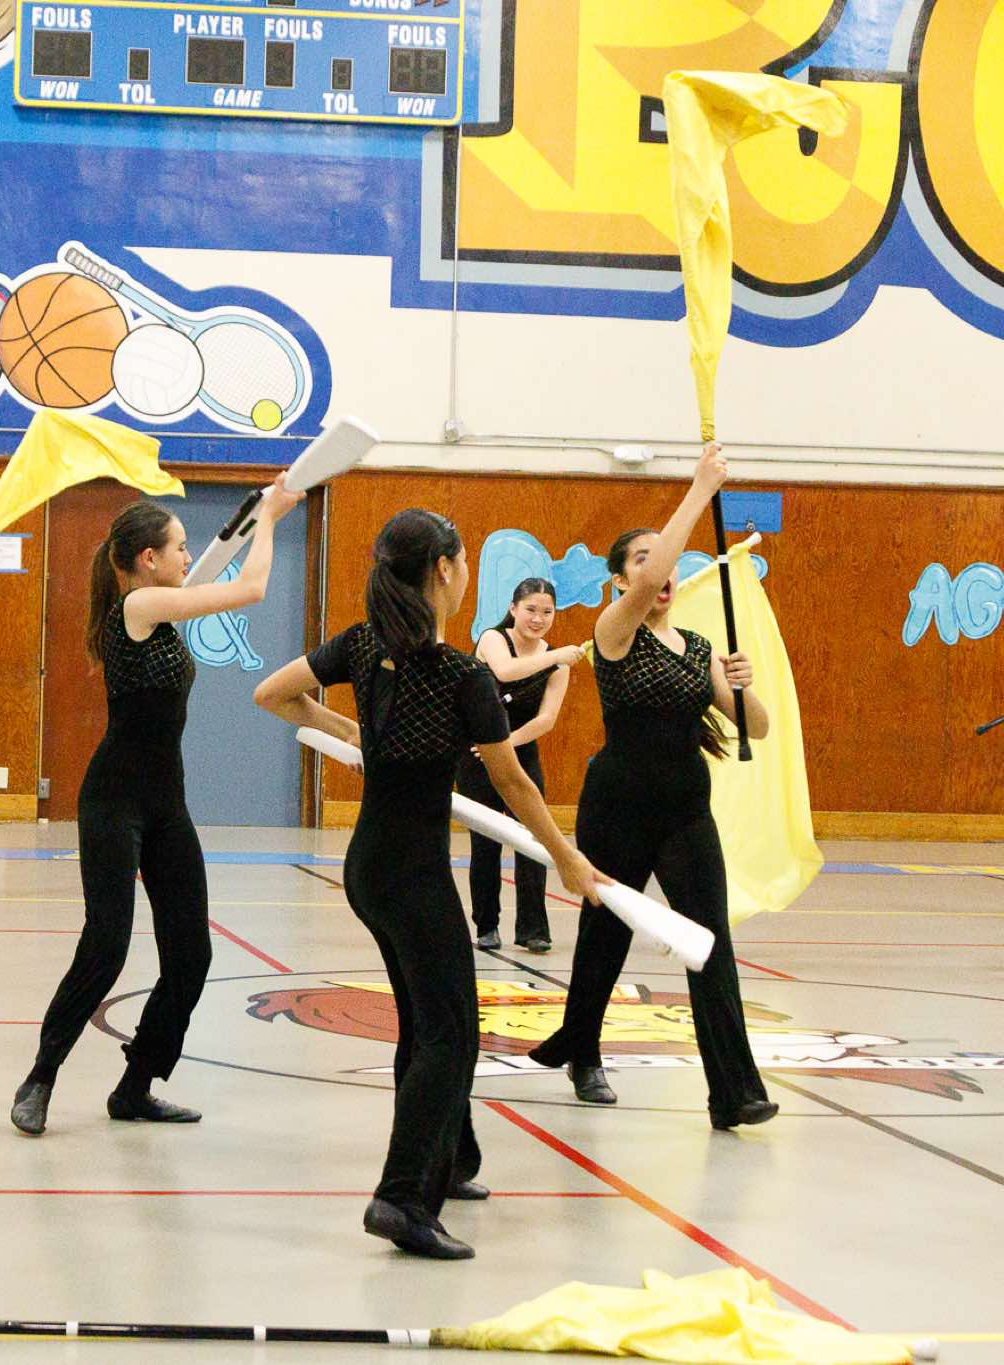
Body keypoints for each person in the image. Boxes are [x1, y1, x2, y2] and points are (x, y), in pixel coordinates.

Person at [256, 509, 604, 1259]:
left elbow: (273, 694)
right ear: (444, 570)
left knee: (425, 1023)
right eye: (465, 560)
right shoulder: (460, 675)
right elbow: (512, 782)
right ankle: (401, 1197)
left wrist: (356, 734)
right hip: (412, 875)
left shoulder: (363, 644)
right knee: (451, 1035)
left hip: (369, 868)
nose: (468, 571)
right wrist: (568, 859)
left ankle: (446, 1164)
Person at [10, 483, 303, 1136]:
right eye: (179, 546)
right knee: (106, 948)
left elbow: (215, 584)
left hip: (167, 805)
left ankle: (136, 1084)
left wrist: (252, 522)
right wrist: (269, 519)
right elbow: (252, 588)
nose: (188, 555)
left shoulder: (161, 612)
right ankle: (41, 1077)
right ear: (148, 558)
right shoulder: (139, 605)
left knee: (191, 956)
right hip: (113, 802)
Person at [527, 445, 779, 1132]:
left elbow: (755, 725)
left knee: (710, 942)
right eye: (642, 561)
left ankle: (734, 1091)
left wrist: (745, 685)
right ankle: (583, 1054)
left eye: (661, 561)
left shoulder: (698, 649)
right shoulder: (613, 632)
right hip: (618, 807)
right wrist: (700, 488)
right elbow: (649, 582)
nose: (659, 572)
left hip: (686, 811)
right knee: (604, 936)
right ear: (620, 581)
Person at [462, 577, 578, 953]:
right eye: (530, 610)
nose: (538, 619)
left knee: (533, 839)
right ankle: (486, 926)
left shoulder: (558, 663)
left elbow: (547, 719)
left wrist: (507, 744)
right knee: (486, 841)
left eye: (547, 612)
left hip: (520, 752)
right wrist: (557, 657)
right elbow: (506, 671)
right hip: (476, 754)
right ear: (513, 609)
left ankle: (533, 930)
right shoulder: (493, 639)